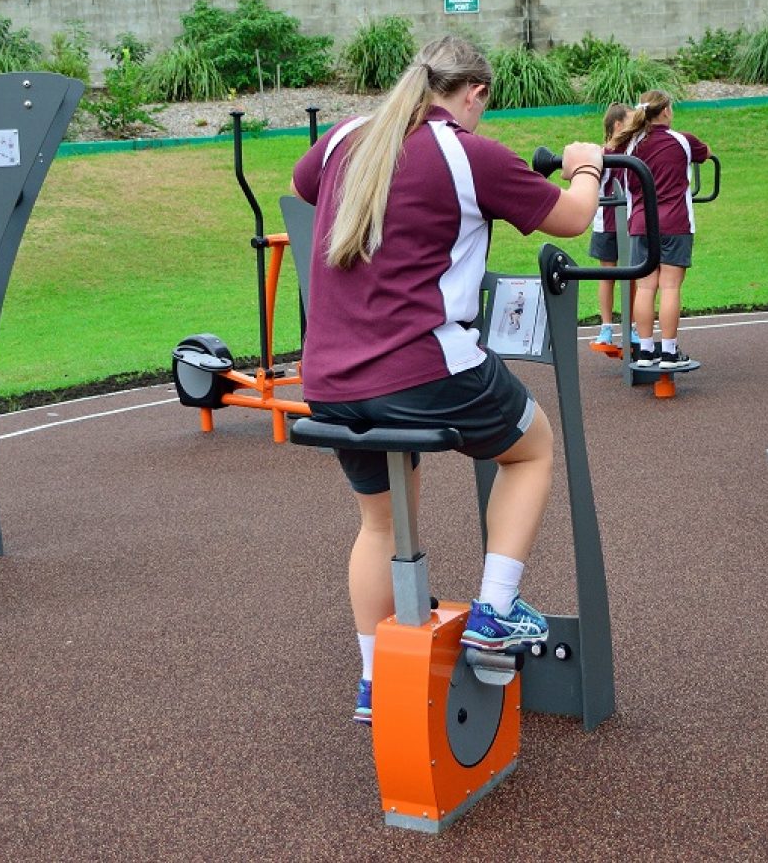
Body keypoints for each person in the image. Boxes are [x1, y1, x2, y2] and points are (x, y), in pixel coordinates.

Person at [289, 36, 603, 725]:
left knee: (379, 523)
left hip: (332, 375)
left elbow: (303, 183)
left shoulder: (348, 137)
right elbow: (575, 220)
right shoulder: (468, 152)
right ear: (475, 93)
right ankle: (494, 610)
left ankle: (377, 682)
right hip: (424, 366)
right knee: (532, 448)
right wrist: (587, 166)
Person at [609, 90, 710, 370]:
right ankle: (668, 351)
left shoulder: (629, 145)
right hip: (676, 222)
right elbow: (706, 153)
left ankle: (645, 350)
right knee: (669, 286)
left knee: (645, 287)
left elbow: (606, 152)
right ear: (665, 111)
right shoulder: (682, 140)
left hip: (641, 224)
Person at [589, 103, 631, 347]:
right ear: (618, 125)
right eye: (630, 120)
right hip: (606, 224)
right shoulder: (600, 154)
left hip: (632, 223)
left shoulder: (634, 152)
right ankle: (606, 327)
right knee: (607, 275)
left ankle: (634, 326)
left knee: (634, 276)